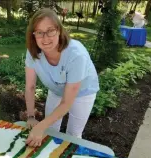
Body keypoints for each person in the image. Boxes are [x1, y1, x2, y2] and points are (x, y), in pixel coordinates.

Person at [24, 8, 99, 147]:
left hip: (83, 93)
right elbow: (30, 86)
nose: (45, 38)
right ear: (33, 35)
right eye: (39, 32)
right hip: (56, 90)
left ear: (59, 30)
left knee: (73, 135)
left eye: (50, 31)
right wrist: (31, 116)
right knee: (50, 130)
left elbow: (66, 102)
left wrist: (40, 126)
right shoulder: (32, 52)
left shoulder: (76, 55)